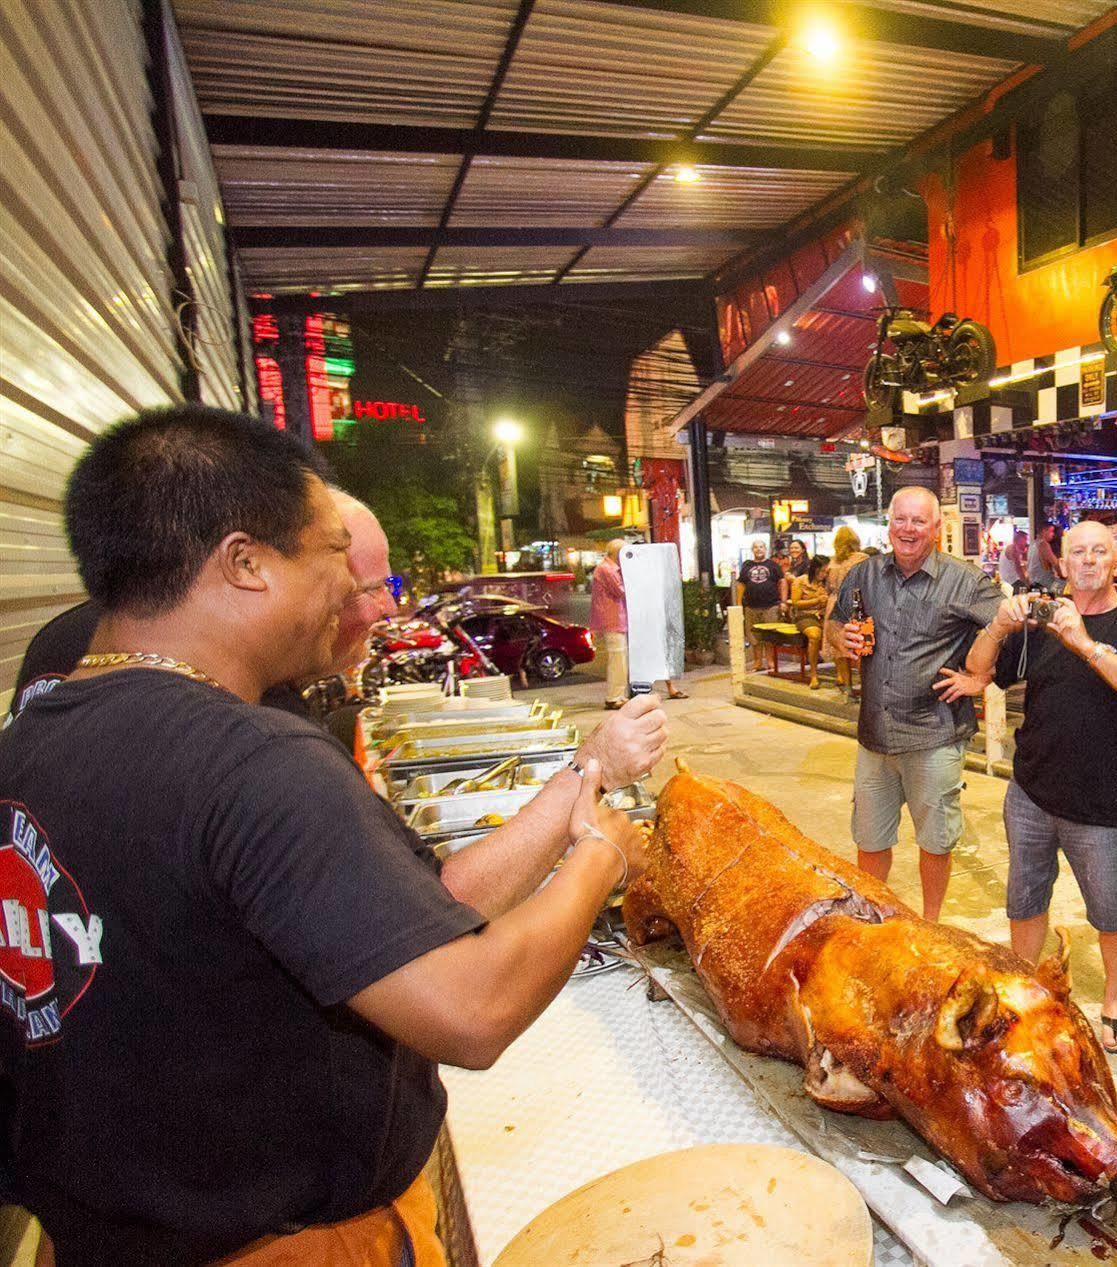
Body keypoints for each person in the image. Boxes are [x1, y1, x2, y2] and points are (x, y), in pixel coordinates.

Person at [0, 407, 664, 1262]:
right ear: (246, 563)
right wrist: (600, 852)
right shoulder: (251, 762)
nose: (352, 591)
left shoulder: (27, 744)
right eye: (330, 557)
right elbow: (474, 1009)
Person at [942, 521, 1117, 1054]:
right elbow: (979, 672)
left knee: (1112, 912)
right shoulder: (1038, 620)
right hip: (1031, 792)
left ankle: (1114, 998)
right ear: (1061, 564)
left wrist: (1085, 645)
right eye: (1077, 553)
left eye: (1099, 552)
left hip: (1101, 801)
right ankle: (1024, 989)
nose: (1088, 561)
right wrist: (999, 625)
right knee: (1024, 900)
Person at [7, 489, 400, 740]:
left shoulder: (111, 635)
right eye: (370, 587)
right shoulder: (252, 721)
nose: (390, 606)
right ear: (247, 564)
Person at [833, 487, 1002, 922]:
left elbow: (1010, 626)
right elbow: (834, 623)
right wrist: (840, 638)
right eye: (900, 520)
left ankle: (930, 925)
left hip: (934, 734)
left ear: (937, 528)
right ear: (889, 523)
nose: (908, 530)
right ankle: (871, 919)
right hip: (874, 737)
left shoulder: (964, 580)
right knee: (869, 839)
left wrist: (981, 678)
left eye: (918, 521)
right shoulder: (864, 575)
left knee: (935, 840)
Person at [823, 525, 866, 701]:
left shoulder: (832, 562)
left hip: (834, 603)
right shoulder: (862, 558)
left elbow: (827, 587)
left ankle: (847, 689)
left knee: (839, 647)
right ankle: (866, 688)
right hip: (857, 600)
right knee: (862, 646)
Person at [591, 537, 630, 709]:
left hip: (615, 618)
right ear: (617, 553)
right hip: (612, 618)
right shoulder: (608, 570)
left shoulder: (608, 568)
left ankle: (618, 694)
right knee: (617, 658)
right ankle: (614, 696)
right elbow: (621, 591)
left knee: (620, 658)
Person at [734, 539, 784, 672]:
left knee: (769, 636)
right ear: (752, 550)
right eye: (756, 547)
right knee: (754, 637)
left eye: (761, 547)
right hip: (751, 607)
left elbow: (782, 582)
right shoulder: (747, 566)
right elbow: (740, 584)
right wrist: (739, 604)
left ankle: (771, 661)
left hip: (771, 606)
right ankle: (757, 662)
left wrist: (783, 601)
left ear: (765, 549)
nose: (758, 549)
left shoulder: (773, 565)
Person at [787, 555, 830, 689]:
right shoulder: (801, 581)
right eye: (822, 571)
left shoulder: (828, 582)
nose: (825, 574)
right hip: (804, 615)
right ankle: (813, 674)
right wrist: (816, 601)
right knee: (814, 635)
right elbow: (795, 603)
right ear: (815, 569)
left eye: (827, 571)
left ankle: (843, 674)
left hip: (824, 615)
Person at [1025, 522, 1061, 591]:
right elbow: (1054, 562)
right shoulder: (1043, 544)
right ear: (1044, 531)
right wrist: (1063, 574)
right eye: (1051, 531)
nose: (1053, 534)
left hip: (1033, 581)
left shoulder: (1032, 544)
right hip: (1043, 583)